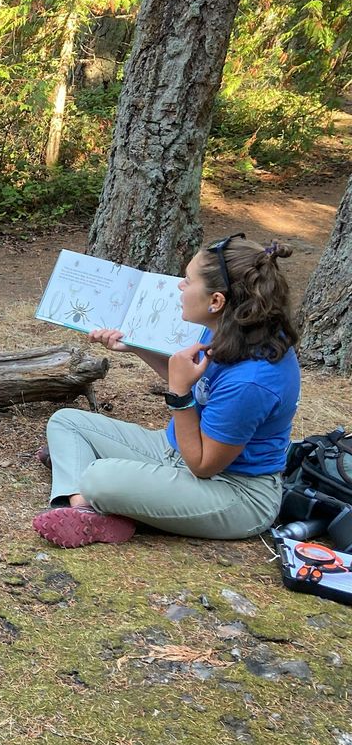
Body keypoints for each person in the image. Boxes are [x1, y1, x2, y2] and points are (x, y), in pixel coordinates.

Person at [33, 234, 301, 548]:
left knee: (98, 476)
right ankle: (86, 507)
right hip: (175, 451)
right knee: (66, 422)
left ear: (216, 301)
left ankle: (89, 490)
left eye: (187, 281)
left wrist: (178, 395)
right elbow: (191, 379)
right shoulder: (232, 327)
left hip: (234, 492)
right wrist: (134, 348)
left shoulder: (252, 380)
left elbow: (202, 465)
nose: (180, 287)